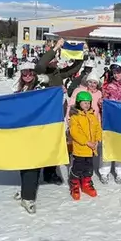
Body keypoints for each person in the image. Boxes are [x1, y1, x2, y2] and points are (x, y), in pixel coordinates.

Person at [35, 39, 84, 185]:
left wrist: (82, 54)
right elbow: (41, 64)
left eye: (56, 58)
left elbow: (72, 70)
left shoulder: (56, 73)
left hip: (55, 114)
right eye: (53, 58)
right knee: (39, 143)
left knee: (52, 143)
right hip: (41, 114)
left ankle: (50, 172)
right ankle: (34, 171)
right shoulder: (40, 71)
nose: (56, 60)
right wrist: (56, 47)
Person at [12, 62, 48, 214]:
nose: (27, 76)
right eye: (24, 73)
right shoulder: (19, 88)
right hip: (22, 131)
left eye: (30, 73)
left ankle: (28, 197)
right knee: (24, 162)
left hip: (36, 131)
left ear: (35, 74)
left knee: (33, 164)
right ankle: (25, 189)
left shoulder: (40, 88)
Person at [67, 91, 101, 200]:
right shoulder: (75, 117)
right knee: (78, 167)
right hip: (81, 149)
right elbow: (75, 133)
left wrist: (97, 140)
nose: (87, 105)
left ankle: (86, 182)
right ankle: (74, 182)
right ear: (78, 103)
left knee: (89, 167)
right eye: (84, 103)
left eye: (88, 103)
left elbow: (97, 129)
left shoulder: (92, 115)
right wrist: (87, 142)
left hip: (91, 149)